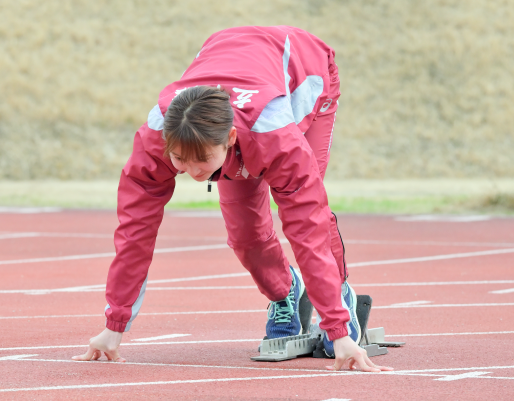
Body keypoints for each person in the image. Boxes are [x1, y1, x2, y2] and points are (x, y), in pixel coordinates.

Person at [73, 26, 392, 372]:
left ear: (230, 138)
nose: (193, 172)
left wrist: (337, 329)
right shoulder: (154, 141)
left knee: (311, 206)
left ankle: (339, 294)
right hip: (231, 65)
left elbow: (307, 228)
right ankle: (285, 293)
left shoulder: (276, 138)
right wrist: (113, 327)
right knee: (245, 235)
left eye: (202, 161)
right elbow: (134, 235)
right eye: (179, 159)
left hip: (307, 74)